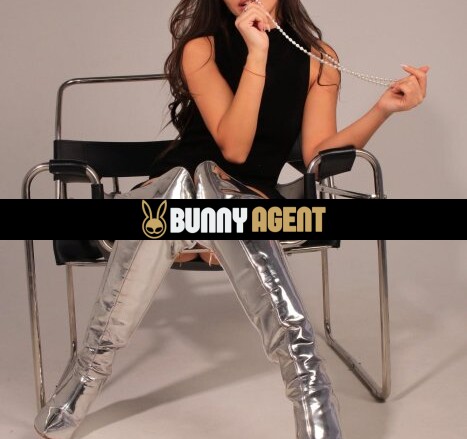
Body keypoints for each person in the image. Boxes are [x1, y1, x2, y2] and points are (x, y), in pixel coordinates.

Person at [34, 1, 429, 438]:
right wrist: (257, 52)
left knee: (216, 192)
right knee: (184, 187)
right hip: (164, 211)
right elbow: (235, 147)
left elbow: (318, 156)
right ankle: (315, 401)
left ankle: (80, 386)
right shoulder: (201, 48)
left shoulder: (318, 58)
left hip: (242, 208)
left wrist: (382, 110)